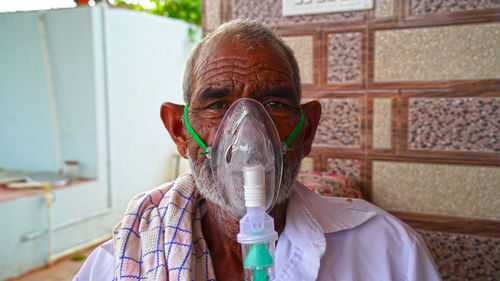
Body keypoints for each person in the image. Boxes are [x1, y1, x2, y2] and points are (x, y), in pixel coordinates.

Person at [75, 19, 441, 281]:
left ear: (307, 129)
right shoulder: (119, 264)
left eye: (275, 103)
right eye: (218, 104)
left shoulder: (389, 253)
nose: (248, 133)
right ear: (180, 131)